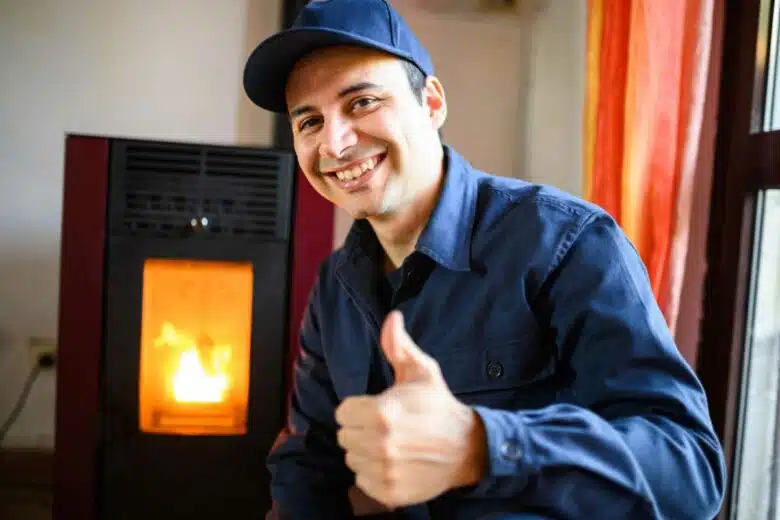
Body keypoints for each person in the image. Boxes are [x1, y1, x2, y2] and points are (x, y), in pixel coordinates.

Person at [242, 1, 726, 518]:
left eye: (361, 102)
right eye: (309, 121)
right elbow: (307, 461)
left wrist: (480, 447)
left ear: (431, 103)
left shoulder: (568, 243)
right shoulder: (335, 284)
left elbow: (689, 471)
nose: (334, 144)